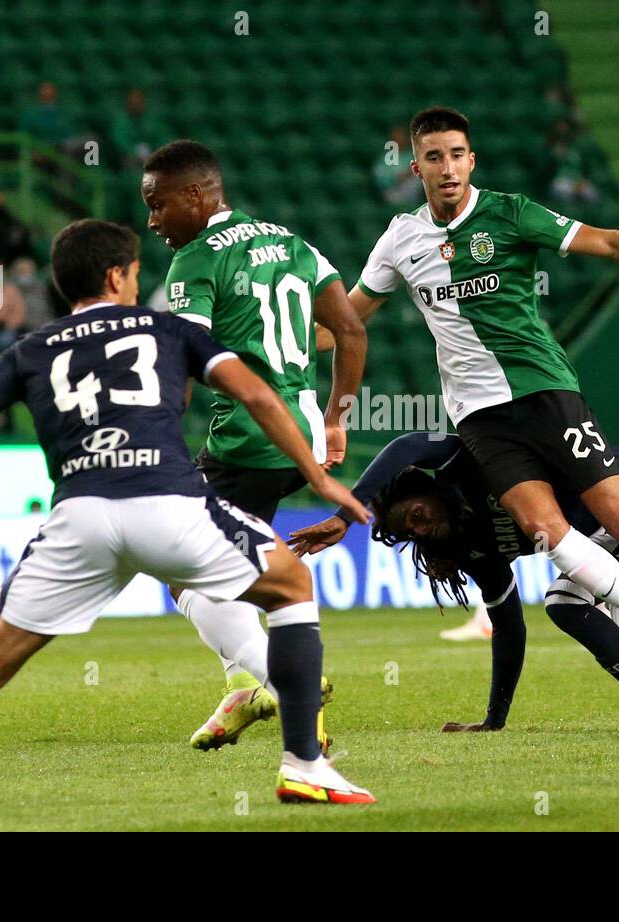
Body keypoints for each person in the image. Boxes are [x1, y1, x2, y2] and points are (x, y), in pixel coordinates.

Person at [0, 219, 375, 822]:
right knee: (290, 584)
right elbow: (258, 395)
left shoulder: (31, 349)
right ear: (116, 275)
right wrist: (316, 474)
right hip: (170, 508)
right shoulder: (169, 329)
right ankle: (305, 766)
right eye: (132, 271)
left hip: (80, 520)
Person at [331, 106, 619, 676]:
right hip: (479, 418)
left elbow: (606, 243)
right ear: (416, 168)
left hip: (543, 390)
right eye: (434, 157)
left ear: (471, 160)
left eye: (457, 154)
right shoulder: (400, 240)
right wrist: (275, 349)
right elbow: (347, 322)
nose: (448, 167)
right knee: (546, 532)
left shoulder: (510, 214)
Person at [285, 433, 619, 737]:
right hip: (610, 545)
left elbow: (404, 446)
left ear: (415, 491)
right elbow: (508, 629)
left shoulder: (464, 463)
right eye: (411, 533)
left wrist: (346, 510)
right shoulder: (478, 551)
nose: (419, 526)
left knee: (564, 600)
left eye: (414, 514)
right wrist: (493, 720)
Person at [141, 140, 368, 751]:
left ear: (195, 195)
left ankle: (281, 678)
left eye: (158, 205)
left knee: (180, 566)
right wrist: (338, 418)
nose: (153, 221)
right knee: (224, 568)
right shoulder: (292, 242)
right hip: (304, 440)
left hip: (248, 440)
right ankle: (242, 683)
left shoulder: (194, 261)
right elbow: (349, 329)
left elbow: (185, 359)